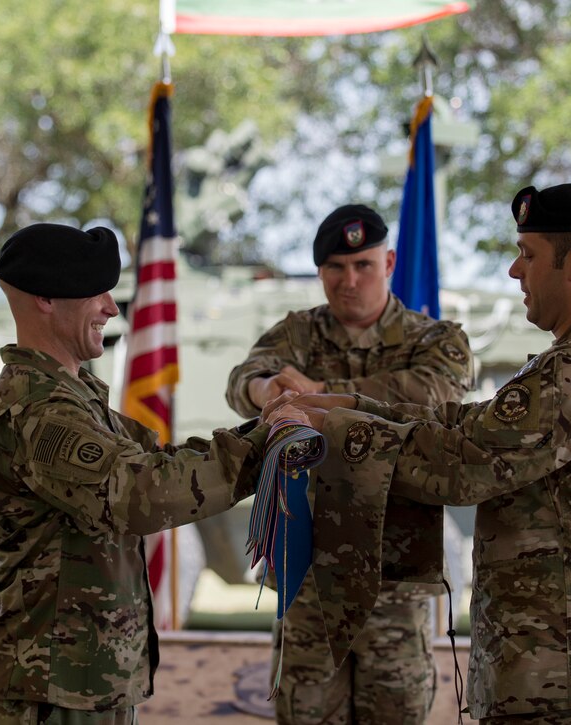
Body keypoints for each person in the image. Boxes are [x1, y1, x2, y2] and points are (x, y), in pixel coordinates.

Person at [280, 183, 571, 724]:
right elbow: (470, 424)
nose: (514, 270)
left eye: (528, 256)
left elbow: (464, 464)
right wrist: (355, 407)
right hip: (555, 664)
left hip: (568, 669)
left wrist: (340, 426)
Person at [0, 222, 287, 725]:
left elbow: (162, 463)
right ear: (47, 299)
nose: (111, 308)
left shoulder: (75, 396)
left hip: (84, 684)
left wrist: (267, 429)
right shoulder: (40, 410)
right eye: (95, 292)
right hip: (51, 693)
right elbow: (142, 492)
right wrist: (266, 445)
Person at [225, 204, 474, 724]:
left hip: (395, 569)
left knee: (396, 711)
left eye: (362, 265)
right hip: (307, 567)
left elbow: (435, 394)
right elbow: (244, 377)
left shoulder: (434, 339)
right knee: (306, 710)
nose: (349, 280)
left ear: (388, 262)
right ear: (320, 273)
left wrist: (323, 396)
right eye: (335, 268)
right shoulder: (297, 334)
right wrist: (264, 388)